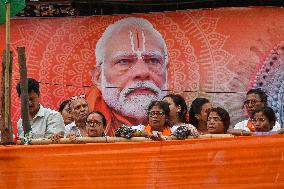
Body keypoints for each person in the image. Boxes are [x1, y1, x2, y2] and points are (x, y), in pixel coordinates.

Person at [86, 17, 168, 136]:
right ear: (98, 76)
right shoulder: (83, 115)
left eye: (153, 60)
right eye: (124, 61)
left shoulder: (178, 122)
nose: (142, 72)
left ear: (166, 71)